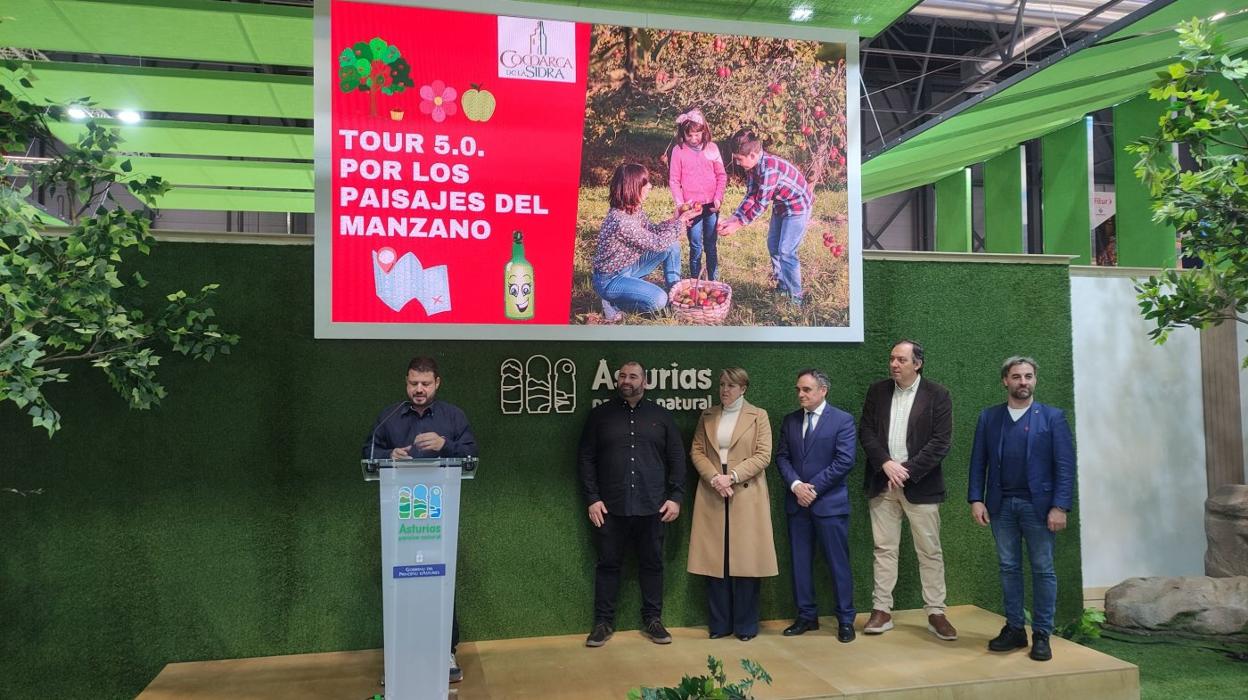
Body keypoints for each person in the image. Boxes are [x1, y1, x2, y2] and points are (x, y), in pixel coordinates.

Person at [361, 356, 478, 683]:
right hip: (401, 521)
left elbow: (471, 455)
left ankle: (445, 650)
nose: (419, 389)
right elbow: (367, 453)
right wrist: (389, 456)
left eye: (425, 384)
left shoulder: (454, 417)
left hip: (439, 519)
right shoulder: (390, 417)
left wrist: (445, 446)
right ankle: (400, 653)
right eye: (413, 383)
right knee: (402, 584)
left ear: (437, 383)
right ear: (406, 382)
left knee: (441, 580)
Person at [968, 356, 1076, 662]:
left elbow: (1065, 467)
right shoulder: (989, 418)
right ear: (1006, 381)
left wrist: (1060, 506)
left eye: (1028, 376)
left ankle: (1042, 633)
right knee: (1008, 568)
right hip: (1001, 507)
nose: (1023, 382)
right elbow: (979, 462)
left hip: (1040, 508)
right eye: (1016, 377)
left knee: (1043, 569)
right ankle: (1015, 629)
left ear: (1035, 380)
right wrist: (976, 498)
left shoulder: (1053, 418)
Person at [577, 360, 686, 647]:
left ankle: (653, 620)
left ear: (645, 382)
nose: (627, 380)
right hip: (611, 507)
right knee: (608, 565)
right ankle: (603, 623)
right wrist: (592, 498)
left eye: (633, 376)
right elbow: (586, 458)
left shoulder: (661, 417)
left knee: (652, 564)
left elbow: (677, 458)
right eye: (622, 375)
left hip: (654, 506)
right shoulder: (600, 416)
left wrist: (676, 497)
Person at [858, 340, 958, 641]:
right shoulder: (877, 391)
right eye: (891, 359)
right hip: (882, 481)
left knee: (929, 551)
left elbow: (941, 442)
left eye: (901, 359)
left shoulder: (938, 395)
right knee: (884, 549)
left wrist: (907, 470)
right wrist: (886, 464)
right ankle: (882, 610)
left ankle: (936, 612)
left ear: (918, 364)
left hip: (921, 486)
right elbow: (866, 431)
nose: (894, 364)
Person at [686, 367, 778, 641]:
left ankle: (746, 626)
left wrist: (733, 477)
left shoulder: (758, 415)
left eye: (731, 385)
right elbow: (697, 451)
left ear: (743, 388)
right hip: (714, 490)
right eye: (722, 384)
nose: (725, 389)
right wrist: (715, 478)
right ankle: (720, 624)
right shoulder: (708, 415)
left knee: (746, 562)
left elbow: (764, 455)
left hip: (745, 492)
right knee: (716, 560)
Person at [775, 368, 858, 643]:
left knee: (838, 564)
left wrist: (813, 488)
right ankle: (806, 616)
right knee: (800, 563)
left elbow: (844, 461)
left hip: (829, 505)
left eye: (806, 389)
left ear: (823, 390)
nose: (800, 394)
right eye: (798, 389)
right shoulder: (789, 421)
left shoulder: (843, 420)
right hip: (797, 504)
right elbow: (782, 458)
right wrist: (797, 486)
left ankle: (846, 620)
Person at [591, 163, 699, 321]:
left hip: (628, 267)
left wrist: (675, 220)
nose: (650, 186)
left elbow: (653, 231)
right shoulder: (621, 221)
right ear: (633, 187)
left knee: (672, 246)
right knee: (658, 300)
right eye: (645, 183)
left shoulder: (633, 209)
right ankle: (614, 302)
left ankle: (675, 296)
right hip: (610, 280)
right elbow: (657, 243)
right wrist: (680, 222)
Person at [716, 128, 813, 303]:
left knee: (787, 251)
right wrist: (733, 218)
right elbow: (751, 195)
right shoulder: (754, 166)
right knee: (773, 246)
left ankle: (797, 297)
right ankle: (783, 286)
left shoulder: (769, 169)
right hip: (782, 206)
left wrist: (737, 225)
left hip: (798, 207)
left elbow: (761, 204)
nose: (737, 163)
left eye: (739, 159)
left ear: (753, 155)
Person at [667, 108, 727, 280]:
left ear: (704, 131)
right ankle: (695, 281)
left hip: (711, 206)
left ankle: (713, 281)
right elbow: (674, 180)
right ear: (682, 134)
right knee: (695, 246)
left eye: (697, 134)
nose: (693, 139)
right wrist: (680, 204)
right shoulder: (678, 151)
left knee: (710, 245)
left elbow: (721, 175)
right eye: (689, 136)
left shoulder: (712, 149)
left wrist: (718, 197)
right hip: (691, 207)